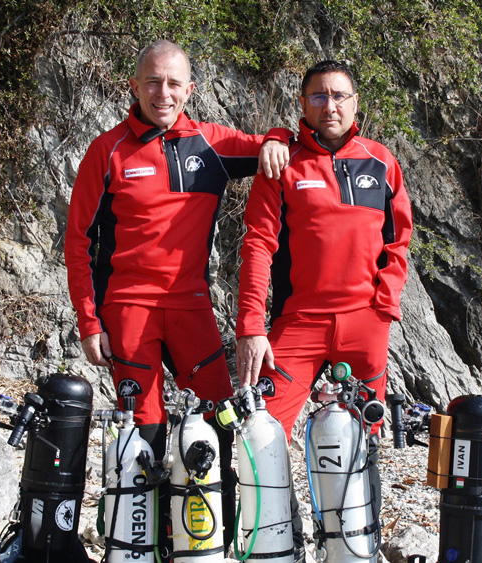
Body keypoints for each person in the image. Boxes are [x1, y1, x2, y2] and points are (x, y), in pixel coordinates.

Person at [64, 39, 291, 554]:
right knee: (142, 433)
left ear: (190, 89)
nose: (162, 93)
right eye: (152, 81)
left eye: (173, 84)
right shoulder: (108, 150)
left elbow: (274, 145)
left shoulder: (210, 143)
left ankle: (212, 541)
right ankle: (140, 543)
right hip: (128, 310)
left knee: (221, 421)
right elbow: (78, 243)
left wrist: (276, 137)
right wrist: (88, 322)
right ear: (134, 86)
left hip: (191, 306)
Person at [234, 59, 413, 555]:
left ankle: (357, 547)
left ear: (355, 103)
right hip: (298, 324)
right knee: (259, 432)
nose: (329, 105)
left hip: (364, 325)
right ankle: (278, 542)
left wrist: (384, 310)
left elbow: (397, 244)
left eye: (339, 96)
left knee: (360, 444)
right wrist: (251, 324)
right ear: (303, 105)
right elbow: (257, 246)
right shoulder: (282, 162)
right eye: (318, 96)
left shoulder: (382, 162)